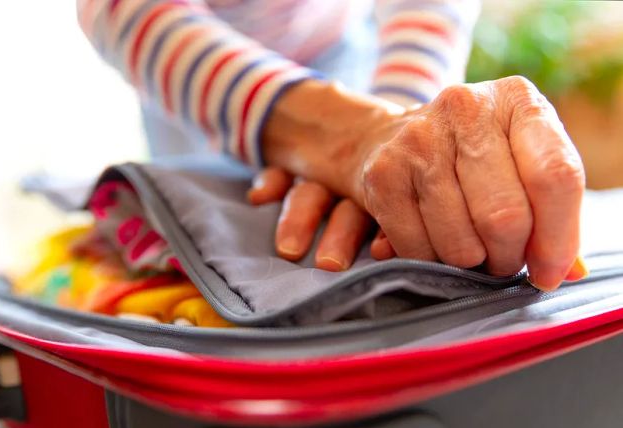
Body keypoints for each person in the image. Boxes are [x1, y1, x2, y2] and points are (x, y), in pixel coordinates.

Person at [77, 0, 588, 292]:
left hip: (344, 47)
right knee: (202, 244)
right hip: (188, 62)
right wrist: (347, 138)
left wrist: (396, 118)